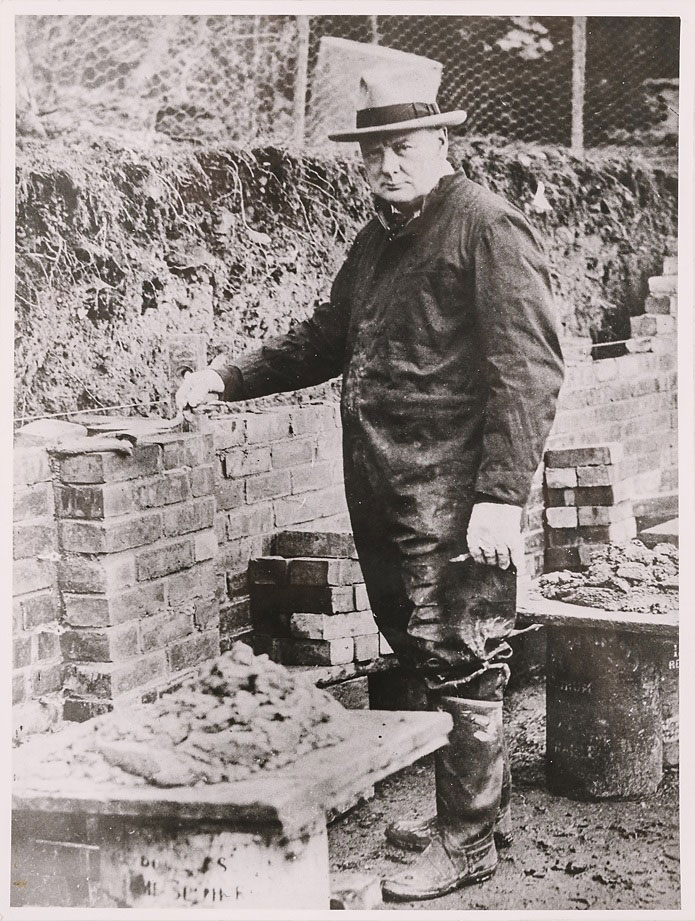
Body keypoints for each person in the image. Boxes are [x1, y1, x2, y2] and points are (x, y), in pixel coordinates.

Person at [176, 66, 564, 902]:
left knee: (462, 655)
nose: (386, 165)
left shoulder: (486, 227)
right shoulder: (379, 237)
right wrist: (224, 373)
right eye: (372, 152)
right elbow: (326, 337)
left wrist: (501, 493)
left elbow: (527, 370)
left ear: (439, 144)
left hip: (457, 497)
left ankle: (464, 843)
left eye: (402, 147)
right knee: (426, 644)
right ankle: (473, 813)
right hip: (389, 491)